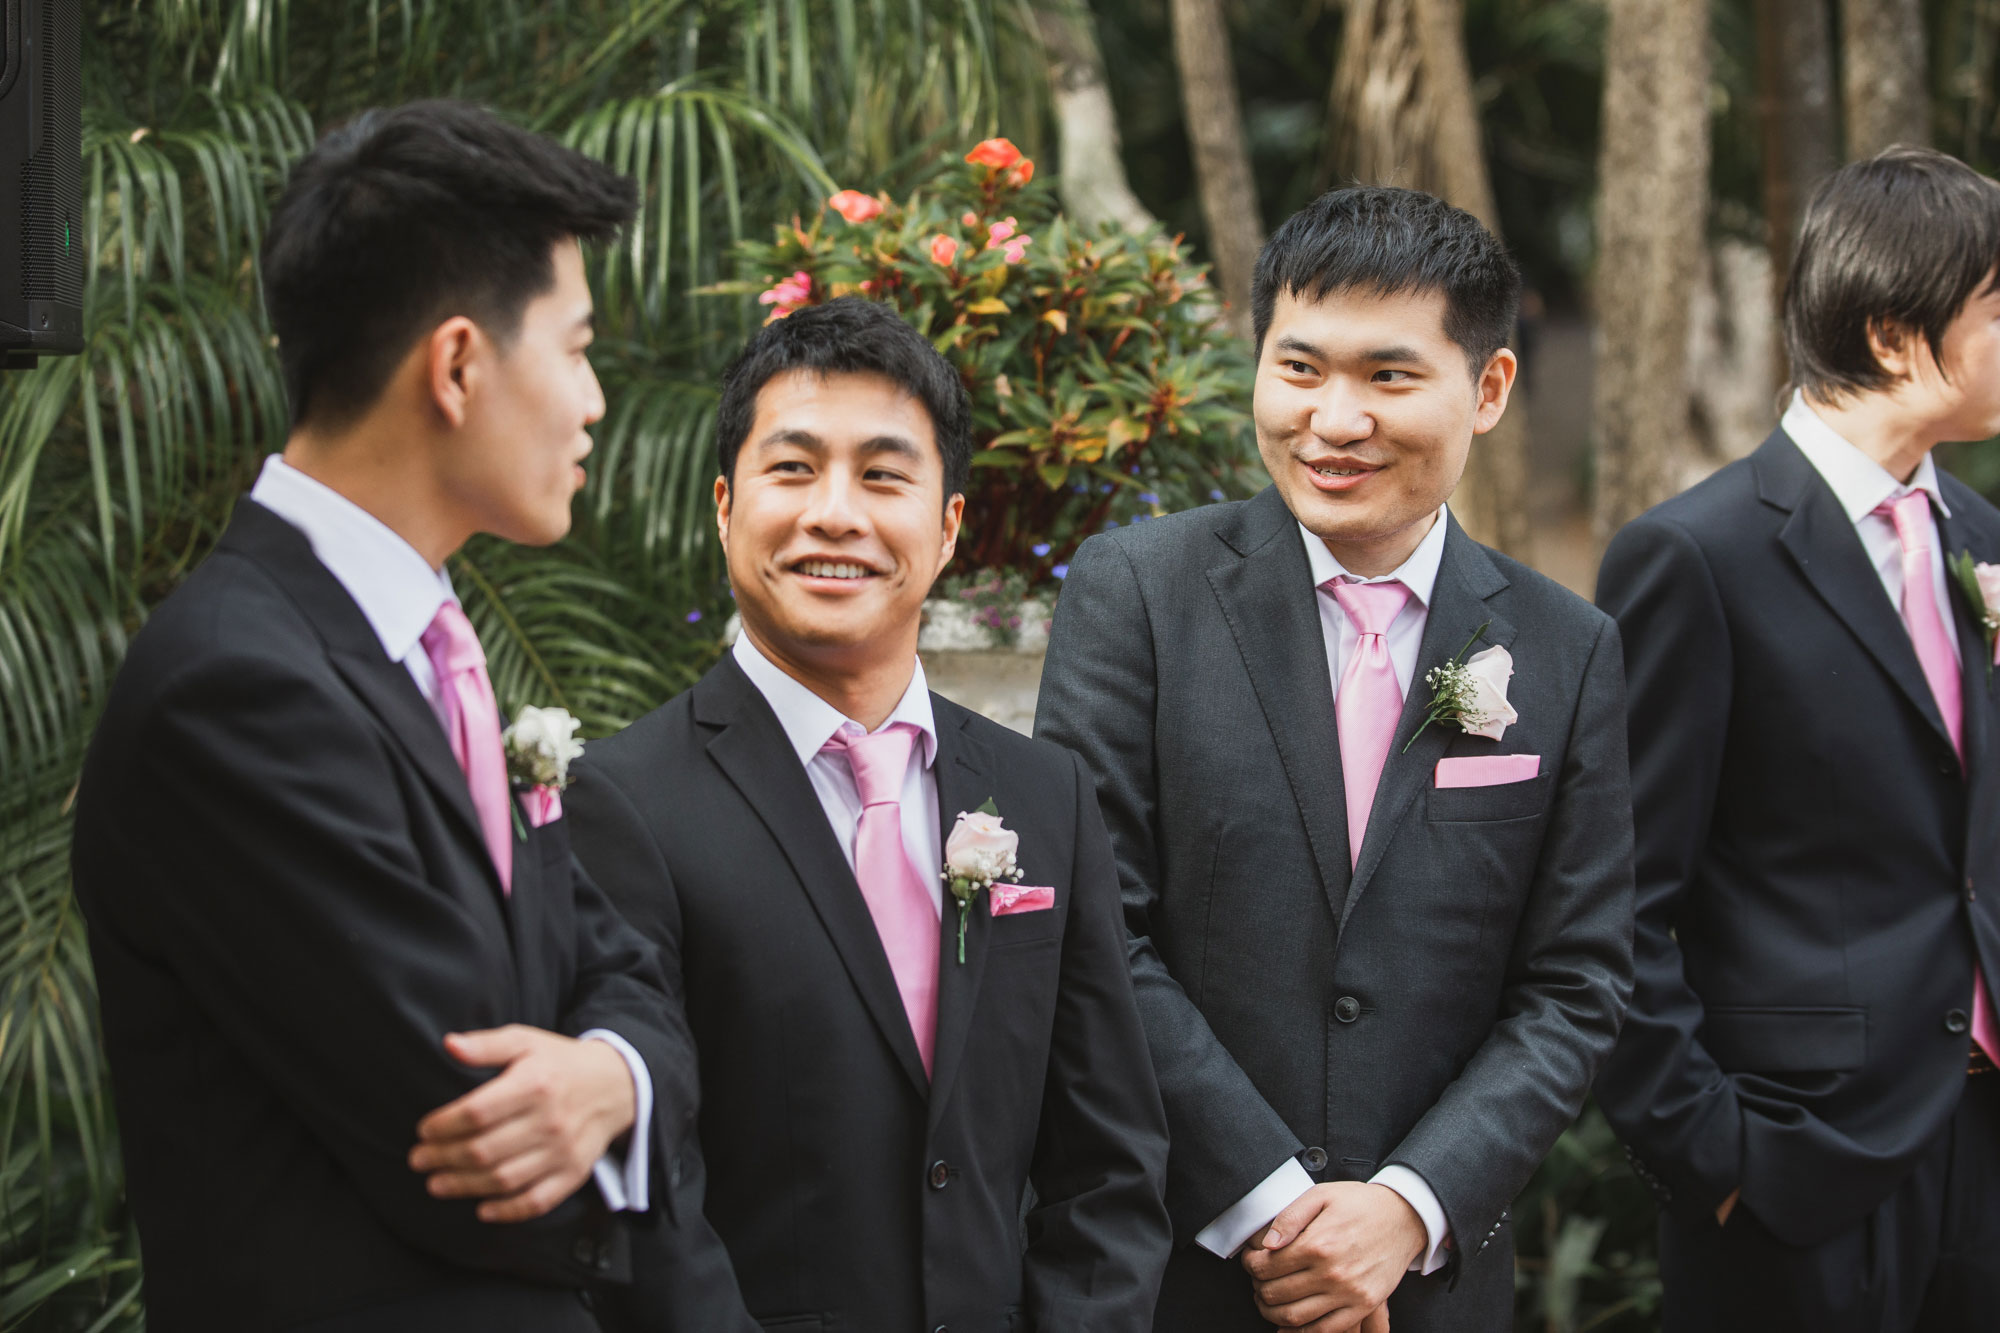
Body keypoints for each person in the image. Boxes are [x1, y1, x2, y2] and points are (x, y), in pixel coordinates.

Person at [70, 101, 694, 1331]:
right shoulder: (235, 690)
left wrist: (612, 1073)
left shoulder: (420, 647)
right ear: (457, 366)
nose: (595, 403)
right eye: (573, 351)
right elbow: (467, 1147)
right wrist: (611, 1081)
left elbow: (619, 968)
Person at [1034, 186, 1635, 1333]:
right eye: (1298, 368)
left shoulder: (1566, 648)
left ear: (1488, 388)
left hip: (1428, 1290)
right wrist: (1270, 1202)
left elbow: (1576, 979)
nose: (1333, 418)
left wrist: (1408, 1207)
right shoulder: (1136, 594)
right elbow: (1097, 925)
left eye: (1388, 377)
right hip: (1175, 1273)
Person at [562, 296, 1173, 1332]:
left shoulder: (1042, 796)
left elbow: (1108, 1160)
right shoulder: (621, 803)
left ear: (944, 529)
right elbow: (650, 1192)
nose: (834, 512)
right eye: (792, 469)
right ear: (723, 506)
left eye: (882, 475)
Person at [1594, 146, 2000, 1332]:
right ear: (1889, 334)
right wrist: (1715, 1160)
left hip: (1980, 1144)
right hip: (1798, 1163)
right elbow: (1614, 894)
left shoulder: (1977, 534)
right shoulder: (1695, 557)